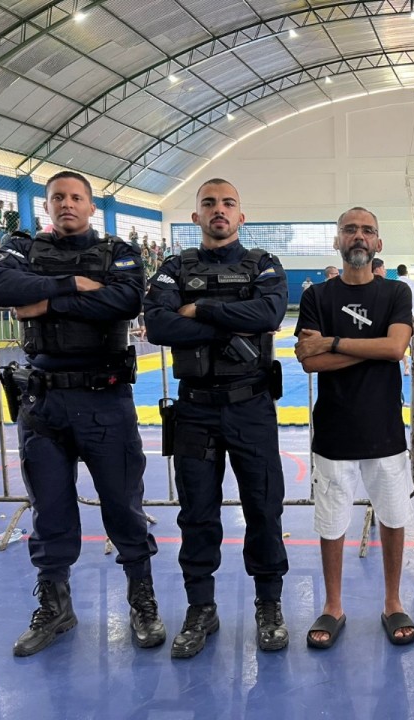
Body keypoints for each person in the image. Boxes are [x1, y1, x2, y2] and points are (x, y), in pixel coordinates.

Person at [0, 170, 164, 657]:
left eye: (76, 197)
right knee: (50, 511)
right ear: (47, 206)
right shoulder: (24, 249)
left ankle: (142, 600)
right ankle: (56, 606)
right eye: (58, 197)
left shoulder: (118, 253)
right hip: (42, 402)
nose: (67, 204)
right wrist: (72, 285)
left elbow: (125, 299)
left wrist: (39, 301)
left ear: (90, 206)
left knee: (124, 507)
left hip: (104, 399)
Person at [144, 178, 290, 658]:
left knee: (264, 508)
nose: (219, 210)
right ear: (196, 218)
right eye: (209, 203)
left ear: (241, 216)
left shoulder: (264, 264)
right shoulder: (171, 267)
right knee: (197, 512)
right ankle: (200, 607)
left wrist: (201, 308)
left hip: (250, 406)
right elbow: (159, 324)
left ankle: (269, 604)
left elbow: (268, 313)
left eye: (229, 203)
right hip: (195, 409)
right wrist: (230, 314)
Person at [294, 207, 414, 649]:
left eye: (367, 230)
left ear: (379, 243)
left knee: (394, 517)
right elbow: (310, 360)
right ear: (337, 241)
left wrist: (334, 342)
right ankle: (333, 605)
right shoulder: (317, 297)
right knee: (331, 521)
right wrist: (375, 348)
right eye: (350, 229)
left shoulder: (396, 292)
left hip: (384, 427)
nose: (358, 236)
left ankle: (392, 600)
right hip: (335, 429)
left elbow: (398, 346)